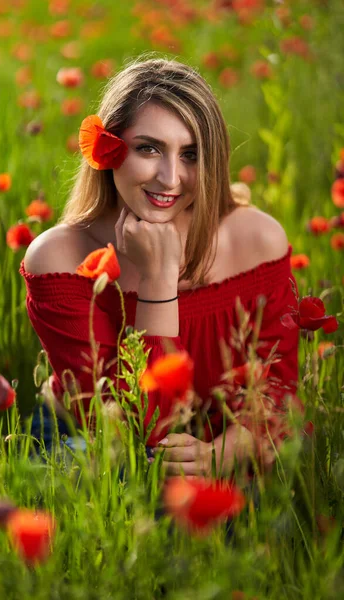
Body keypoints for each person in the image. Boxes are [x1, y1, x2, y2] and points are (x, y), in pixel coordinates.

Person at [20, 56, 302, 477]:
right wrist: (158, 280)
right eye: (148, 148)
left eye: (190, 154)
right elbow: (139, 433)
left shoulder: (256, 240)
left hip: (227, 450)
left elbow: (280, 393)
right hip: (97, 451)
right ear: (107, 149)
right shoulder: (59, 259)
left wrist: (224, 452)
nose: (171, 178)